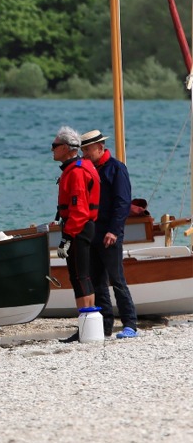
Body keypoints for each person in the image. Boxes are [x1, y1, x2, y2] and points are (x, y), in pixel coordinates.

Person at [81, 129, 139, 339]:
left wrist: (114, 231)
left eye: (88, 149)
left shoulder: (116, 168)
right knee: (97, 281)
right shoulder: (88, 169)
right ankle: (104, 326)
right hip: (92, 232)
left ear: (100, 148)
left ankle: (130, 324)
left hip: (109, 233)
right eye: (83, 149)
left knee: (117, 279)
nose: (85, 153)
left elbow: (123, 203)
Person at [52, 126, 101, 343]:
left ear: (65, 148)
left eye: (54, 146)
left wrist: (67, 237)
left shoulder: (77, 172)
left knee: (80, 276)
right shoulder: (77, 168)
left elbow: (79, 210)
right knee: (81, 275)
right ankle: (87, 324)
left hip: (79, 228)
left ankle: (86, 326)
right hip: (81, 227)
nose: (51, 150)